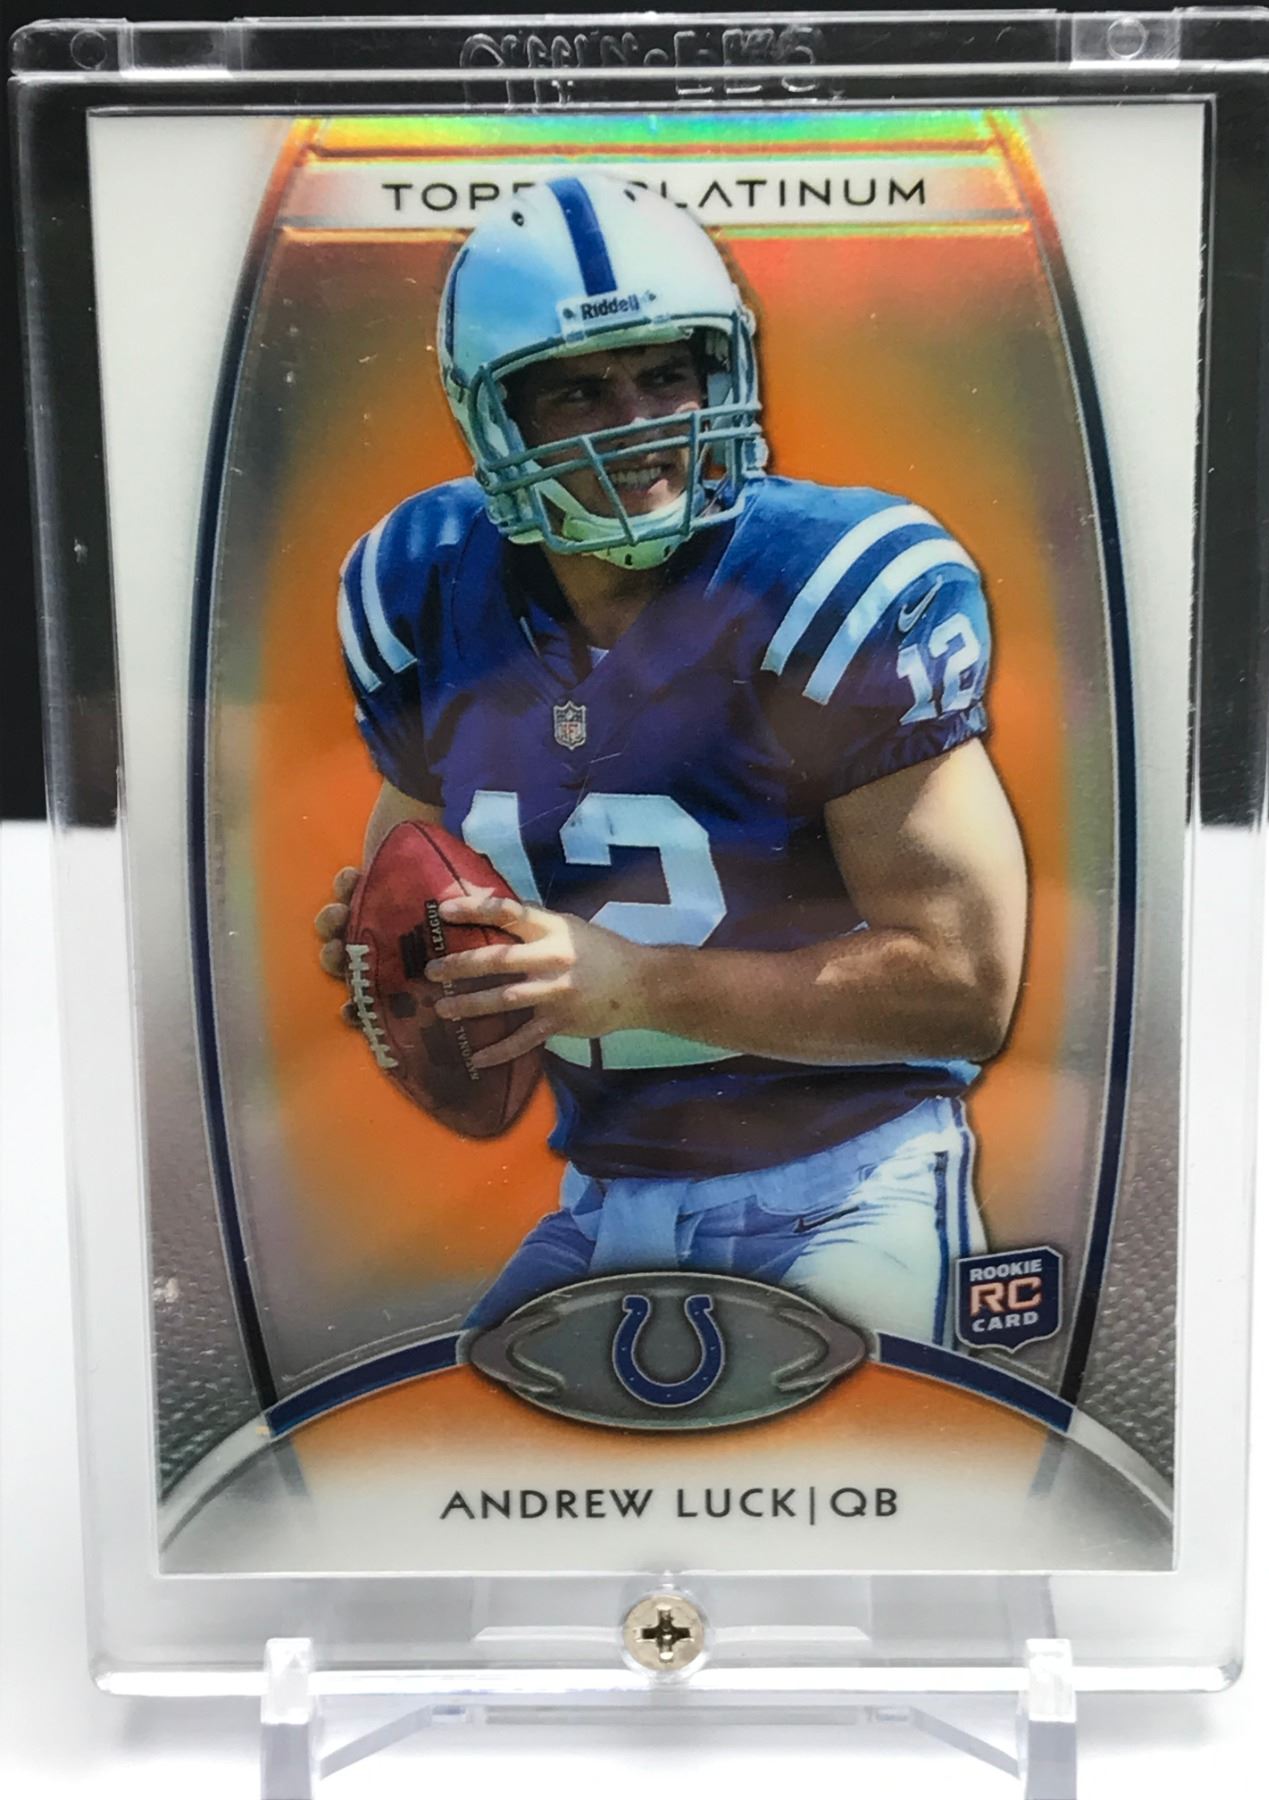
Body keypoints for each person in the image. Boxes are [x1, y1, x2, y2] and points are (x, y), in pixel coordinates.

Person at [315, 172, 1027, 1346]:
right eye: (579, 390)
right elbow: (425, 871)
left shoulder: (827, 583)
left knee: (853, 1448)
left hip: (850, 1190)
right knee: (451, 1439)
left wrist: (640, 986)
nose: (639, 420)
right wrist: (399, 956)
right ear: (494, 418)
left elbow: (963, 987)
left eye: (665, 373)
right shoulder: (422, 585)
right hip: (606, 1201)